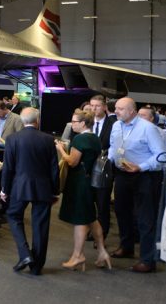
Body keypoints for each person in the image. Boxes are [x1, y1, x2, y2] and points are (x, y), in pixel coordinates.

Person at [108, 97, 166, 272]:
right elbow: (113, 146)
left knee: (145, 218)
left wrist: (141, 167)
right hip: (122, 175)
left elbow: (161, 156)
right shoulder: (116, 125)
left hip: (144, 176)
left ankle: (147, 259)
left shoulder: (148, 129)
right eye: (116, 108)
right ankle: (127, 247)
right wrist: (110, 158)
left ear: (132, 111)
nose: (116, 111)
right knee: (122, 212)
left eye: (120, 108)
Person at [0, 107, 58, 275]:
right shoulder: (48, 139)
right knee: (41, 225)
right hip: (43, 187)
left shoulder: (13, 139)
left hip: (20, 186)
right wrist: (55, 191)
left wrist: (4, 189)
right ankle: (36, 266)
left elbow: (8, 168)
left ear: (22, 121)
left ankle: (25, 254)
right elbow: (54, 168)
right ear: (37, 121)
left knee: (13, 215)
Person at [55, 109, 111, 271]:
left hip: (79, 183)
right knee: (91, 218)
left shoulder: (80, 139)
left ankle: (78, 256)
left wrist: (60, 149)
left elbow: (72, 162)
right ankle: (102, 252)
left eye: (74, 122)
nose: (71, 124)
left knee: (80, 219)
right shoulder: (95, 138)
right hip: (89, 182)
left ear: (83, 123)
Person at [89, 94, 116, 240]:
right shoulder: (86, 122)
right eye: (92, 105)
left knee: (102, 204)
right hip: (87, 170)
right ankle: (92, 230)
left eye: (97, 106)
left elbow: (115, 146)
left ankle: (101, 234)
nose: (94, 108)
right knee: (89, 203)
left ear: (104, 107)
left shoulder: (113, 124)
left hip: (104, 169)